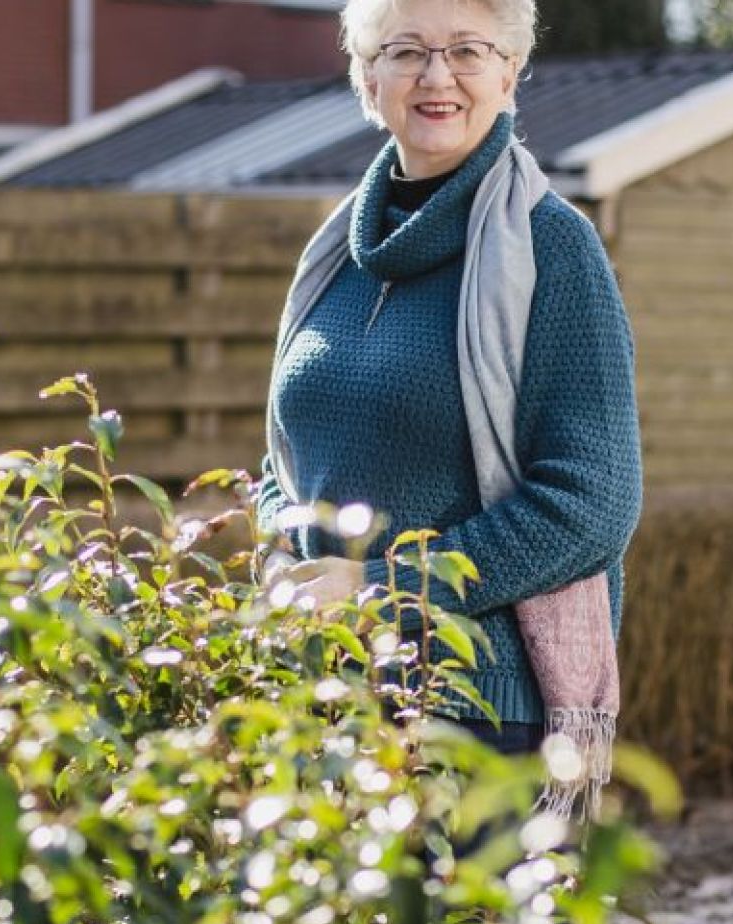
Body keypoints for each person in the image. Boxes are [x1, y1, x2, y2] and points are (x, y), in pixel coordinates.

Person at [254, 0, 643, 758]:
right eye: (406, 52)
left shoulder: (552, 249)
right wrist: (281, 553)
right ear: (369, 79)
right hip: (320, 694)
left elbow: (592, 506)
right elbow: (286, 463)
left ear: (509, 72)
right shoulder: (333, 256)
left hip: (472, 713)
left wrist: (381, 590)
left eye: (467, 50)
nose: (438, 77)